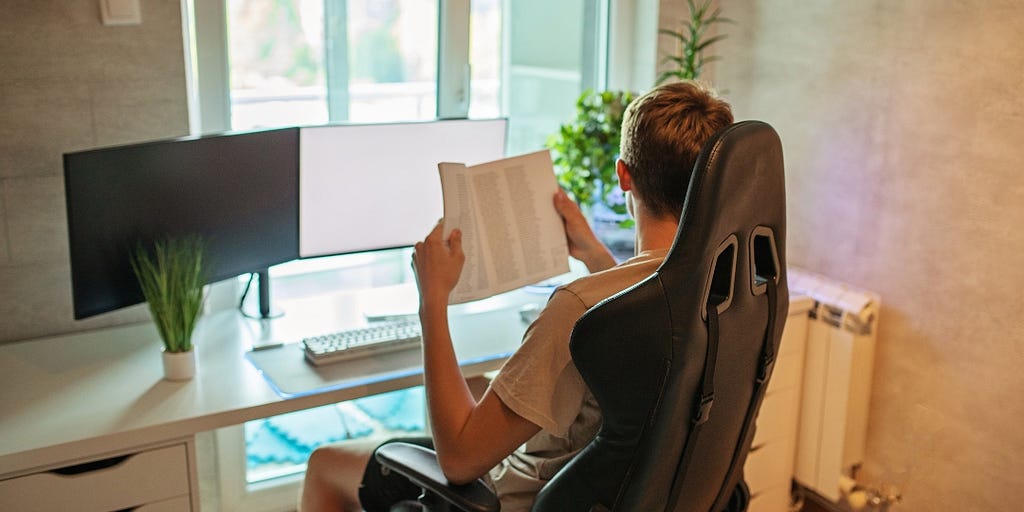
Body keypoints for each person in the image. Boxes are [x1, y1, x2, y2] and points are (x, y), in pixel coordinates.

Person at [299, 80, 734, 512]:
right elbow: (645, 309)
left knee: (325, 463)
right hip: (638, 497)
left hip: (518, 499)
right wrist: (596, 256)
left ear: (623, 175)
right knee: (473, 386)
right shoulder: (722, 287)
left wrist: (432, 302)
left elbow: (459, 461)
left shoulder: (576, 308)